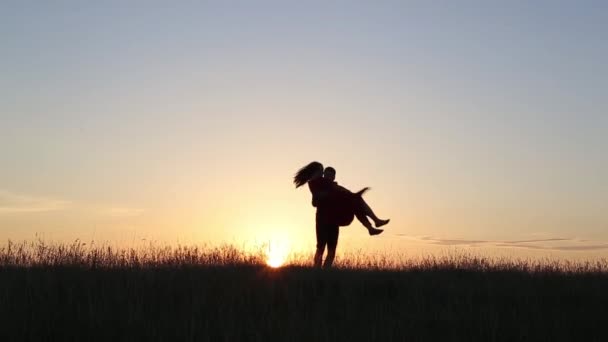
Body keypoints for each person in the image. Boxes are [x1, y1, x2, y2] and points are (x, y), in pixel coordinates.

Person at [293, 161, 390, 268]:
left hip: (334, 220)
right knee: (320, 248)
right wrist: (335, 193)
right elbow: (315, 200)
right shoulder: (315, 182)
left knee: (332, 250)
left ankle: (326, 273)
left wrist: (352, 195)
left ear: (334, 177)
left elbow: (323, 197)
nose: (322, 174)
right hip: (323, 220)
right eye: (321, 171)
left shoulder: (327, 183)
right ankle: (317, 271)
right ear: (315, 172)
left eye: (323, 172)